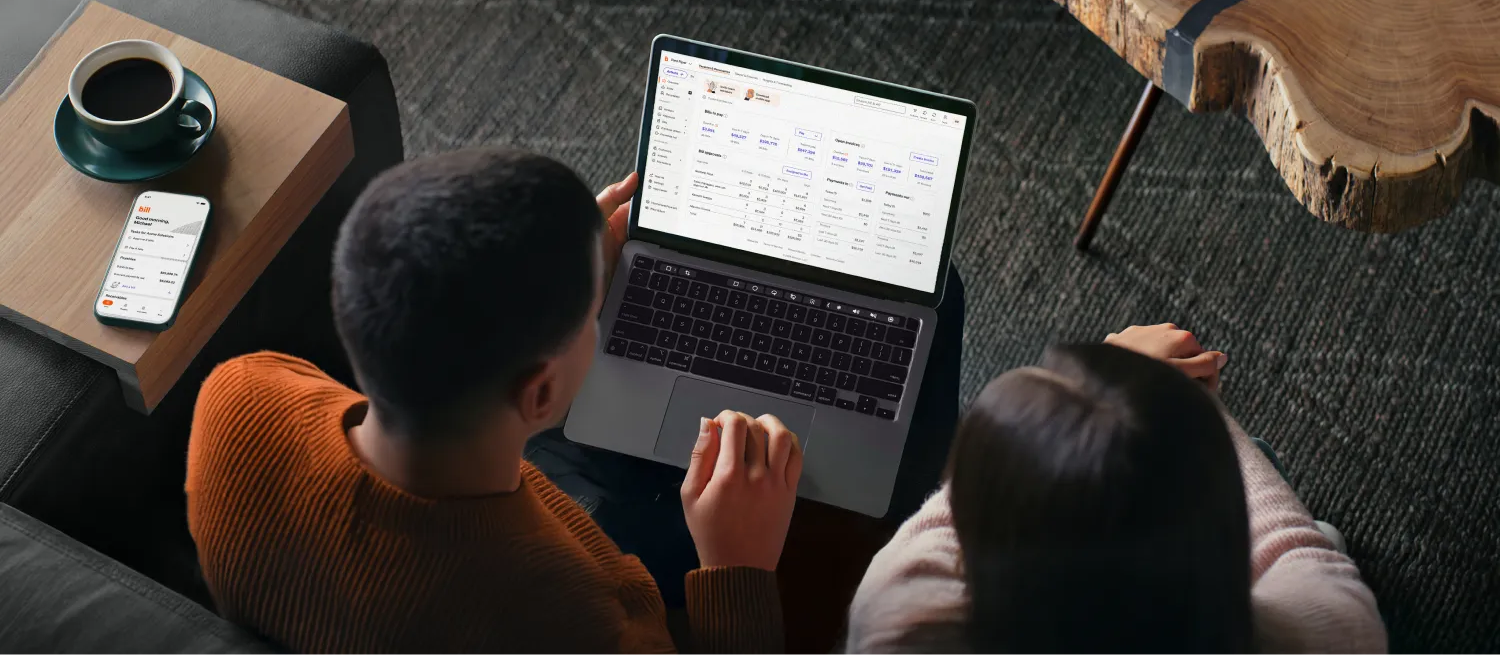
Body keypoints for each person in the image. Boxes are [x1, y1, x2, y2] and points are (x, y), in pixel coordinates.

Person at [186, 148, 802, 655]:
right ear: (540, 393)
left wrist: (551, 277)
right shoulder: (587, 626)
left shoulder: (239, 397)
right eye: (589, 320)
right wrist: (737, 567)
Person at [845, 324, 1386, 655]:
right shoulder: (1338, 631)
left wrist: (1082, 413)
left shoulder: (894, 621)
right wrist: (1170, 399)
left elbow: (967, 499)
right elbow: (1294, 547)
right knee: (1300, 512)